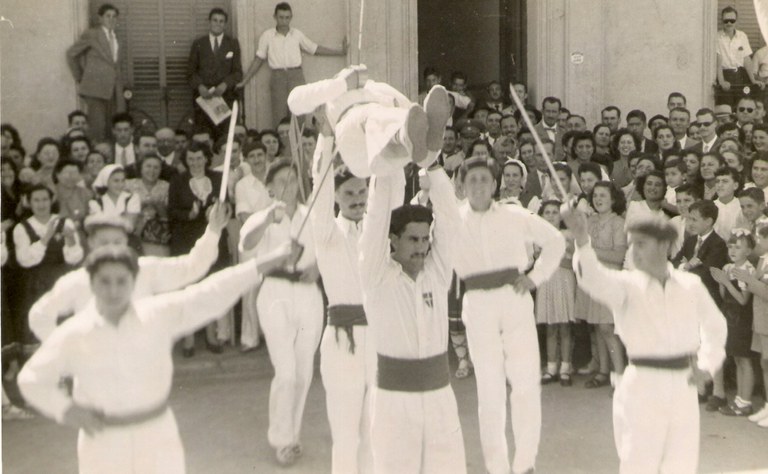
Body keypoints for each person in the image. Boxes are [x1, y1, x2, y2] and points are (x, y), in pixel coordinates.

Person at [18, 242, 291, 474]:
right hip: (102, 442)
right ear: (91, 283)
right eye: (104, 281)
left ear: (134, 281)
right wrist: (65, 409)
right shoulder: (74, 333)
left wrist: (263, 263)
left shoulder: (157, 315)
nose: (113, 290)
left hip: (157, 434)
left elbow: (210, 292)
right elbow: (31, 378)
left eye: (121, 281)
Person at [562, 207, 726, 474]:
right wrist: (582, 240)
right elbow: (592, 278)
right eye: (631, 245)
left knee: (681, 463)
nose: (633, 252)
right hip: (642, 385)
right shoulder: (625, 285)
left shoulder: (690, 284)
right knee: (639, 463)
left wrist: (707, 364)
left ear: (663, 245)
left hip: (683, 384)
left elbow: (715, 326)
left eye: (641, 244)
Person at [452, 156, 565, 474]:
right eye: (471, 179)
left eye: (484, 179)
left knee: (526, 382)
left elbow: (555, 240)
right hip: (477, 304)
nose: (478, 186)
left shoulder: (515, 215)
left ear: (496, 183)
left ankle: (525, 462)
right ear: (461, 185)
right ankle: (497, 467)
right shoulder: (451, 220)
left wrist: (535, 276)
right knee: (489, 390)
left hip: (514, 298)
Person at [358, 158, 466, 473]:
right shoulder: (376, 276)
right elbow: (376, 219)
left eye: (425, 239)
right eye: (412, 239)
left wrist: (432, 165)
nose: (421, 247)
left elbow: (451, 219)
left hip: (439, 397)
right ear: (392, 240)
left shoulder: (438, 274)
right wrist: (384, 164)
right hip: (394, 400)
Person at [238, 160, 321, 466]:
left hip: (308, 295)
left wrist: (318, 268)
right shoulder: (263, 216)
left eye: (293, 179)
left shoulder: (311, 214)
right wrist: (266, 221)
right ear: (270, 187)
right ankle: (280, 439)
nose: (288, 186)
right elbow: (246, 243)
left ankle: (293, 436)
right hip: (274, 295)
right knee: (285, 372)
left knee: (303, 373)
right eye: (282, 181)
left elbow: (330, 249)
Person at [310, 130, 377, 474]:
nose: (357, 198)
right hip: (341, 341)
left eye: (362, 191)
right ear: (336, 196)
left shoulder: (378, 232)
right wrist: (325, 139)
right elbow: (318, 187)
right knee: (346, 435)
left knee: (375, 431)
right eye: (349, 192)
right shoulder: (326, 234)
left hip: (379, 340)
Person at [287, 64, 451, 179]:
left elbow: (413, 115)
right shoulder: (333, 98)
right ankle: (405, 137)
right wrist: (343, 83)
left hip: (385, 157)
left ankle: (427, 153)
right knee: (370, 115)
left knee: (396, 121)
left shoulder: (377, 88)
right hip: (355, 143)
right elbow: (294, 100)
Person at [238, 2, 347, 127]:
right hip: (277, 76)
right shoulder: (267, 36)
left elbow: (314, 49)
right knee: (279, 117)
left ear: (291, 18)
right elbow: (259, 58)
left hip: (296, 76)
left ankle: (300, 145)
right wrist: (244, 81)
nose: (284, 21)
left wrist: (340, 52)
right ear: (275, 17)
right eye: (281, 17)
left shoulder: (297, 34)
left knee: (299, 113)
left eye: (287, 17)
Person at [168, 141, 230, 355]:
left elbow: (227, 205)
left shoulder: (217, 179)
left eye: (199, 158)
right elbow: (171, 211)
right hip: (186, 240)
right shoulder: (177, 181)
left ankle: (212, 335)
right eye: (191, 159)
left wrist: (216, 210)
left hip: (212, 239)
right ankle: (189, 339)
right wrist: (189, 214)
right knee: (188, 287)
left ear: (206, 158)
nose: (195, 162)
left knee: (209, 286)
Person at [13, 185, 84, 344]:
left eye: (45, 199)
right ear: (28, 203)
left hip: (61, 281)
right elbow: (24, 260)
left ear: (52, 200)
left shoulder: (65, 222)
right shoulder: (21, 227)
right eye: (36, 200)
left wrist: (71, 237)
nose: (41, 204)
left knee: (65, 327)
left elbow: (74, 258)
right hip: (35, 284)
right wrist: (46, 237)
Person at [576, 181, 628, 389]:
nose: (598, 199)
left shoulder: (618, 223)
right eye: (595, 196)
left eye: (603, 196)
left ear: (613, 199)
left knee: (608, 326)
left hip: (610, 278)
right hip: (591, 277)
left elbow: (619, 256)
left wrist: (591, 251)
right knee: (598, 326)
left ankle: (620, 374)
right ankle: (603, 371)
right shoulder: (590, 221)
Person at [710, 229, 756, 416]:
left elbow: (743, 300)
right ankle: (739, 399)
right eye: (730, 246)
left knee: (744, 359)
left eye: (738, 247)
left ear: (748, 251)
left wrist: (727, 283)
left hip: (742, 318)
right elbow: (725, 296)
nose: (732, 250)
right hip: (729, 316)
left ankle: (746, 401)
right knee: (737, 358)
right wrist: (722, 281)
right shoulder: (729, 268)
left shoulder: (748, 270)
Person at [66, 3, 124, 142]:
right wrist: (80, 78)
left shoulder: (116, 38)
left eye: (114, 16)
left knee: (113, 127)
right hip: (95, 89)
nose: (111, 19)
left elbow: (114, 63)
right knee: (97, 129)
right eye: (108, 16)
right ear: (100, 18)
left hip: (113, 90)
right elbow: (71, 54)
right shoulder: (92, 34)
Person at [536, 200, 576, 387]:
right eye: (547, 212)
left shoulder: (568, 235)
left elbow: (571, 261)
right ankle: (551, 368)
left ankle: (565, 368)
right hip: (547, 282)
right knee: (551, 327)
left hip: (564, 280)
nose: (551, 215)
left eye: (555, 212)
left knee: (564, 326)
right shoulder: (538, 235)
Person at [733, 220, 768, 427]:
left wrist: (749, 280)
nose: (757, 241)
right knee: (765, 364)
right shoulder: (762, 261)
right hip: (761, 322)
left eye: (761, 238)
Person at [188, 8, 242, 140]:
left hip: (225, 98)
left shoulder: (232, 43)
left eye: (221, 21)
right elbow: (190, 72)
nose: (218, 24)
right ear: (209, 22)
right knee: (204, 135)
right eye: (215, 20)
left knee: (224, 136)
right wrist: (200, 86)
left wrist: (225, 84)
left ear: (225, 24)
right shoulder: (199, 44)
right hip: (204, 99)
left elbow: (237, 72)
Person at [716, 6, 760, 107]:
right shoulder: (717, 37)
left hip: (741, 76)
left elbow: (746, 60)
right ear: (722, 21)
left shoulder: (742, 36)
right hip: (726, 75)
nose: (729, 23)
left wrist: (753, 79)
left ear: (736, 21)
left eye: (732, 20)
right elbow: (718, 62)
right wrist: (722, 81)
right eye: (726, 21)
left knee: (742, 105)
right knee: (727, 106)